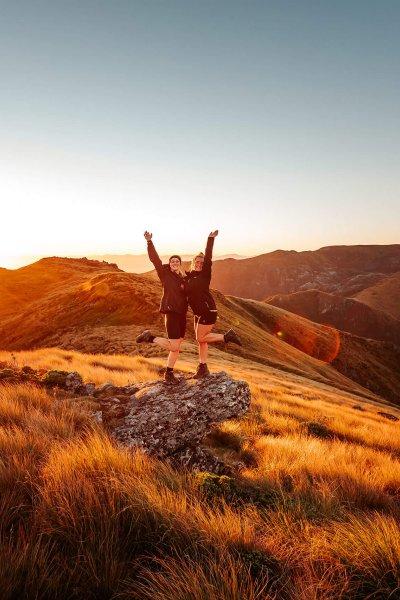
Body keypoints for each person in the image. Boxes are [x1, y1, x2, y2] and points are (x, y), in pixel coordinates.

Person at [185, 230, 242, 378]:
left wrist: (210, 239)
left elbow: (208, 256)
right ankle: (203, 368)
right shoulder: (190, 276)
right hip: (198, 313)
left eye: (201, 262)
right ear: (193, 263)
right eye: (196, 262)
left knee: (200, 338)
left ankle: (226, 337)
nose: (199, 264)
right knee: (202, 342)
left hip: (207, 311)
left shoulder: (205, 274)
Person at [136, 231, 187, 384]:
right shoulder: (164, 274)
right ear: (169, 264)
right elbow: (155, 260)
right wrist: (150, 242)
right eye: (172, 261)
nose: (174, 263)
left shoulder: (182, 278)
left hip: (182, 315)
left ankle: (169, 373)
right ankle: (150, 338)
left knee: (177, 346)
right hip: (171, 312)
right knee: (173, 346)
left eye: (177, 261)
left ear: (180, 264)